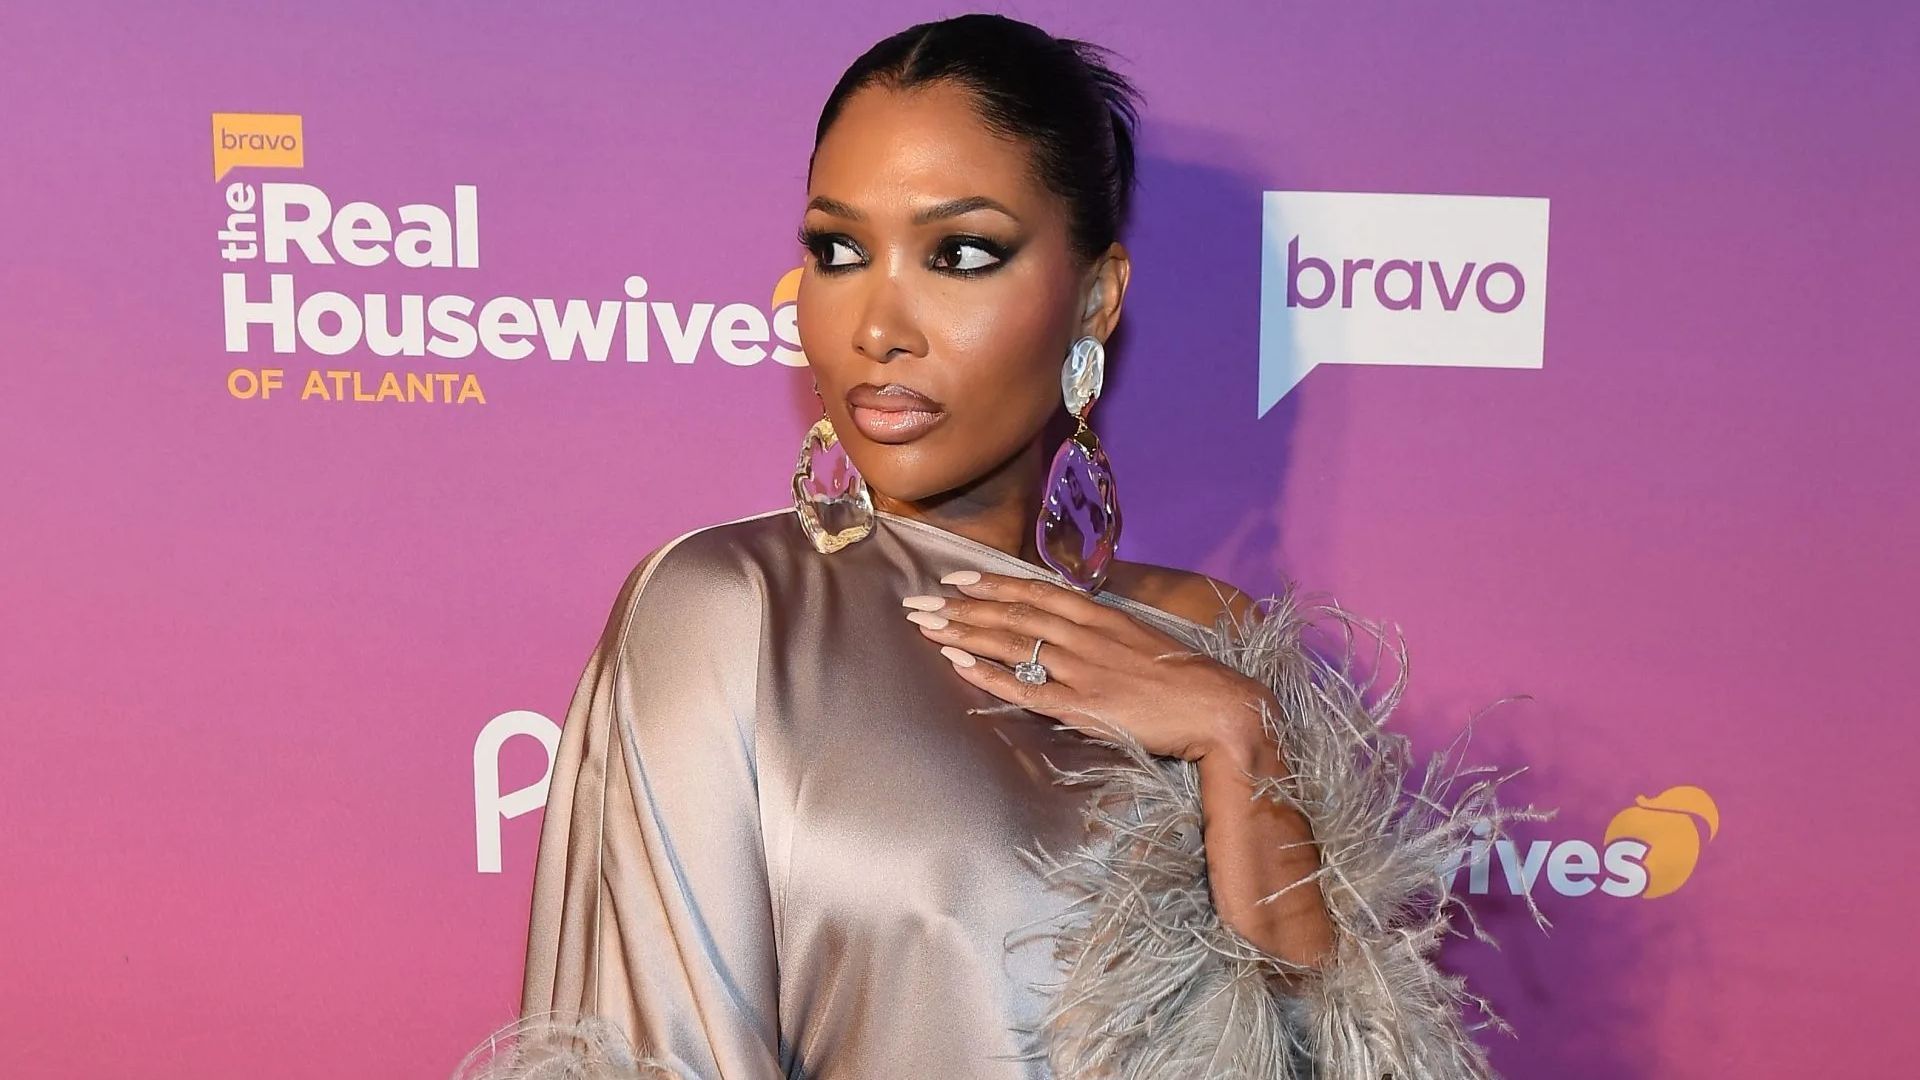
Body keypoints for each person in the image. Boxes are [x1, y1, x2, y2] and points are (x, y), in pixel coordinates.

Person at [455, 13, 1545, 1080]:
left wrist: (1239, 737)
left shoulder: (1217, 644)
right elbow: (653, 1053)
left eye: (960, 254)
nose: (877, 327)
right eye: (838, 250)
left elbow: (1331, 1053)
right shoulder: (728, 613)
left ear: (1095, 299)